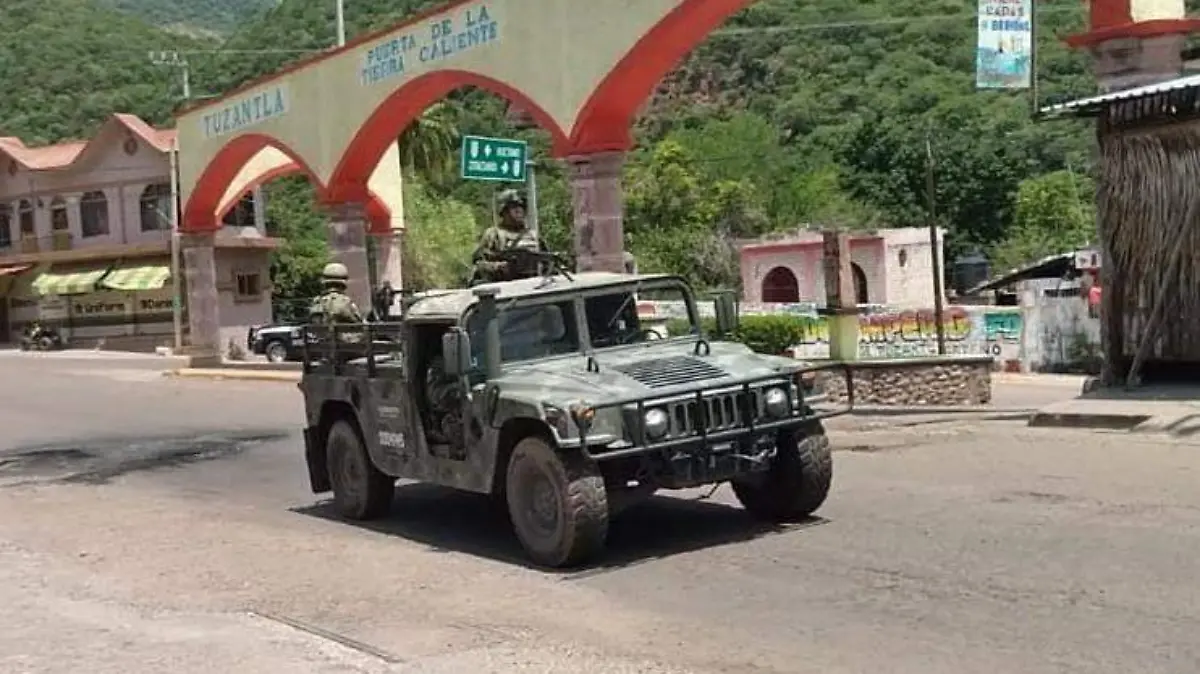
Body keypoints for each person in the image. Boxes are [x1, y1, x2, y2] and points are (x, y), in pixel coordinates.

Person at [470, 189, 542, 285]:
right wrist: (499, 267)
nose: (519, 210)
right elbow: (478, 264)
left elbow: (549, 264)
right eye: (514, 207)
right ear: (504, 211)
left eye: (521, 207)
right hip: (504, 287)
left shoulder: (533, 235)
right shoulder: (493, 234)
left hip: (534, 286)